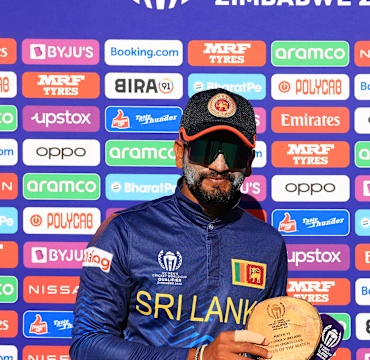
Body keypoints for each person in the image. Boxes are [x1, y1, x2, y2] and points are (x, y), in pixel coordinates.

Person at [71, 88, 288, 360]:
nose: (219, 166)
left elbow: (269, 344)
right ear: (179, 153)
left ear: (249, 163)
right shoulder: (125, 232)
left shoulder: (269, 244)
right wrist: (196, 357)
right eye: (205, 149)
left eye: (233, 154)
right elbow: (88, 344)